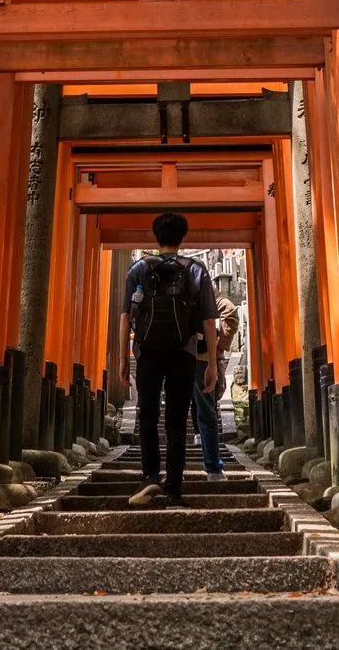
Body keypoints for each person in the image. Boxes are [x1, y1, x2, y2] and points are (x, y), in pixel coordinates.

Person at [122, 212, 218, 507]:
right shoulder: (197, 270)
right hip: (184, 352)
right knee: (177, 420)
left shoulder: (138, 269)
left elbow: (126, 317)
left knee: (147, 414)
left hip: (148, 350)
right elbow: (209, 321)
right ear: (182, 238)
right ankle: (174, 487)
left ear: (156, 237)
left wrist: (125, 359)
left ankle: (150, 475)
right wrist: (212, 362)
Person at [188, 284, 239, 477]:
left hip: (174, 358)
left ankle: (172, 471)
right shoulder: (207, 291)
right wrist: (218, 349)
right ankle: (213, 468)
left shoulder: (171, 285)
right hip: (202, 359)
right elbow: (230, 312)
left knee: (174, 417)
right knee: (208, 413)